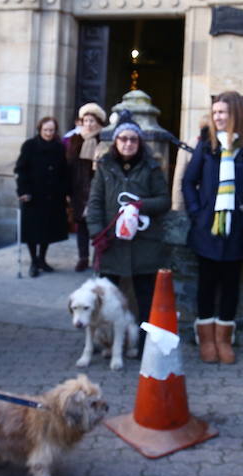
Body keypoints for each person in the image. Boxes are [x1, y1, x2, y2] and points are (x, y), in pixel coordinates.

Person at [181, 91, 243, 365]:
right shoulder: (206, 144)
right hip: (207, 228)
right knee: (206, 285)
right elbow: (189, 181)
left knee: (231, 286)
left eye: (223, 112)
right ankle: (206, 339)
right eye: (215, 112)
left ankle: (223, 339)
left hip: (236, 229)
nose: (217, 117)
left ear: (236, 115)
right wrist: (197, 213)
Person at [85, 115, 170, 344]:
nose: (128, 143)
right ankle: (109, 342)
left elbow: (164, 201)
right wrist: (97, 233)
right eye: (123, 138)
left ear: (139, 142)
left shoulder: (152, 167)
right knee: (107, 298)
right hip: (111, 243)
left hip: (144, 243)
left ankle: (144, 344)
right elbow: (94, 203)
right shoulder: (104, 167)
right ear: (116, 141)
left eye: (133, 139)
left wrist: (140, 204)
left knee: (145, 299)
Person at [14, 116, 69, 278]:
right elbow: (21, 169)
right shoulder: (30, 146)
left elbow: (64, 171)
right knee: (32, 230)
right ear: (40, 130)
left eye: (51, 130)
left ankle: (42, 259)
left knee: (47, 230)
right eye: (46, 130)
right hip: (33, 195)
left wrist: (64, 191)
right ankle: (33, 261)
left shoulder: (59, 147)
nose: (49, 133)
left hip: (52, 195)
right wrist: (23, 191)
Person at [66, 102, 107, 272]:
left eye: (92, 121)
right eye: (86, 120)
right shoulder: (75, 140)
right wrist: (67, 190)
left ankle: (99, 257)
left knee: (98, 224)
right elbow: (69, 165)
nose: (89, 124)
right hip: (77, 189)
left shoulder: (104, 140)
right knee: (81, 225)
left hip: (96, 189)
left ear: (98, 122)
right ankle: (83, 257)